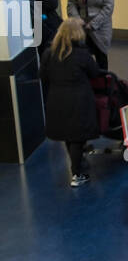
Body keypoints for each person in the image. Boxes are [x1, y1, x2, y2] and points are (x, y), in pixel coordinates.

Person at [39, 17, 102, 187]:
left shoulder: (48, 54)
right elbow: (95, 73)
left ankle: (78, 166)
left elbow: (43, 76)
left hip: (56, 100)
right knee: (77, 138)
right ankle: (77, 173)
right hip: (79, 100)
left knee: (68, 136)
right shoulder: (82, 54)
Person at [66, 0, 114, 71]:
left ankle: (102, 83)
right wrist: (77, 19)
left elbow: (108, 7)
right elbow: (71, 2)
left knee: (101, 57)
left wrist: (93, 24)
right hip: (81, 25)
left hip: (100, 27)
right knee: (81, 56)